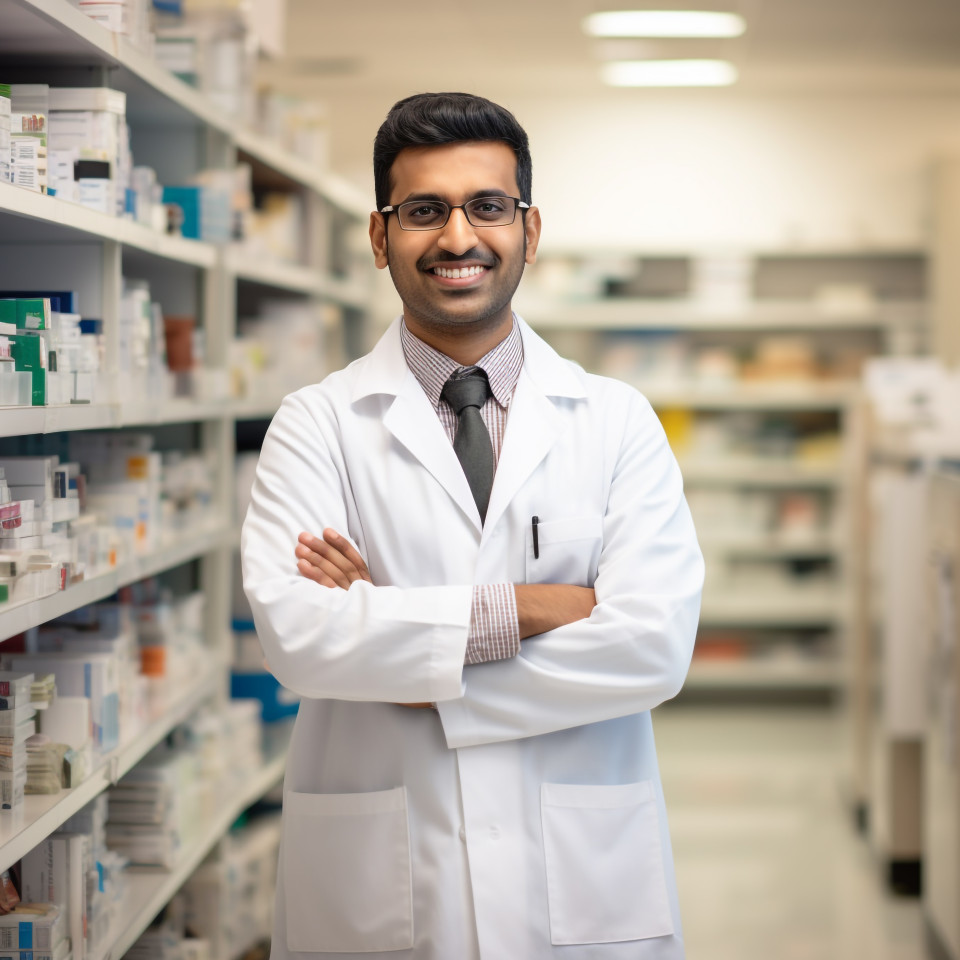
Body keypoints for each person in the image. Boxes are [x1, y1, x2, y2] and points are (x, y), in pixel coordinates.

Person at [241, 91, 704, 960]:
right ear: (381, 237)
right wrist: (541, 607)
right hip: (384, 891)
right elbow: (298, 638)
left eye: (487, 207)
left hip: (581, 883)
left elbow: (653, 644)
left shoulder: (615, 419)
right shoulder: (319, 422)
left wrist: (404, 650)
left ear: (529, 230)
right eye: (423, 212)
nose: (458, 238)